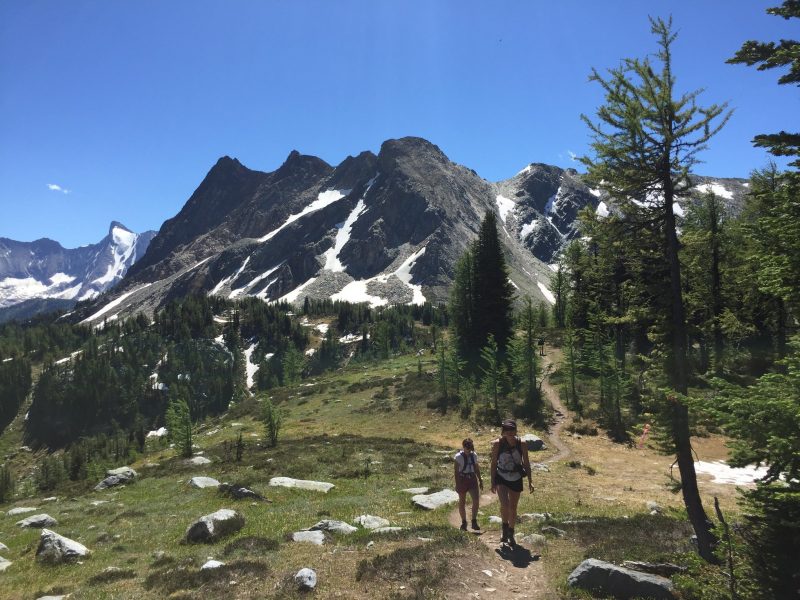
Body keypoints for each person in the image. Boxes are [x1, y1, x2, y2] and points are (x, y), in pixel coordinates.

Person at [490, 419, 534, 546]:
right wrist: (492, 481)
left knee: (513, 507)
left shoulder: (522, 444)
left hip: (516, 477)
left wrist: (530, 481)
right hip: (501, 477)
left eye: (511, 429)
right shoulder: (498, 444)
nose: (509, 432)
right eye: (506, 430)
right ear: (503, 431)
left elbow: (526, 463)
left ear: (515, 430)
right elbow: (493, 463)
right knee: (505, 504)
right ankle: (504, 530)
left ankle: (511, 532)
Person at [454, 438, 483, 531]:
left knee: (476, 500)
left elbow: (476, 468)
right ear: (463, 447)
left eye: (470, 446)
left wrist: (480, 479)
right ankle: (464, 522)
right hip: (462, 479)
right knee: (462, 501)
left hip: (472, 479)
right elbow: (456, 472)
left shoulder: (474, 455)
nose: (469, 449)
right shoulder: (458, 457)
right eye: (467, 446)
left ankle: (474, 521)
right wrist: (458, 483)